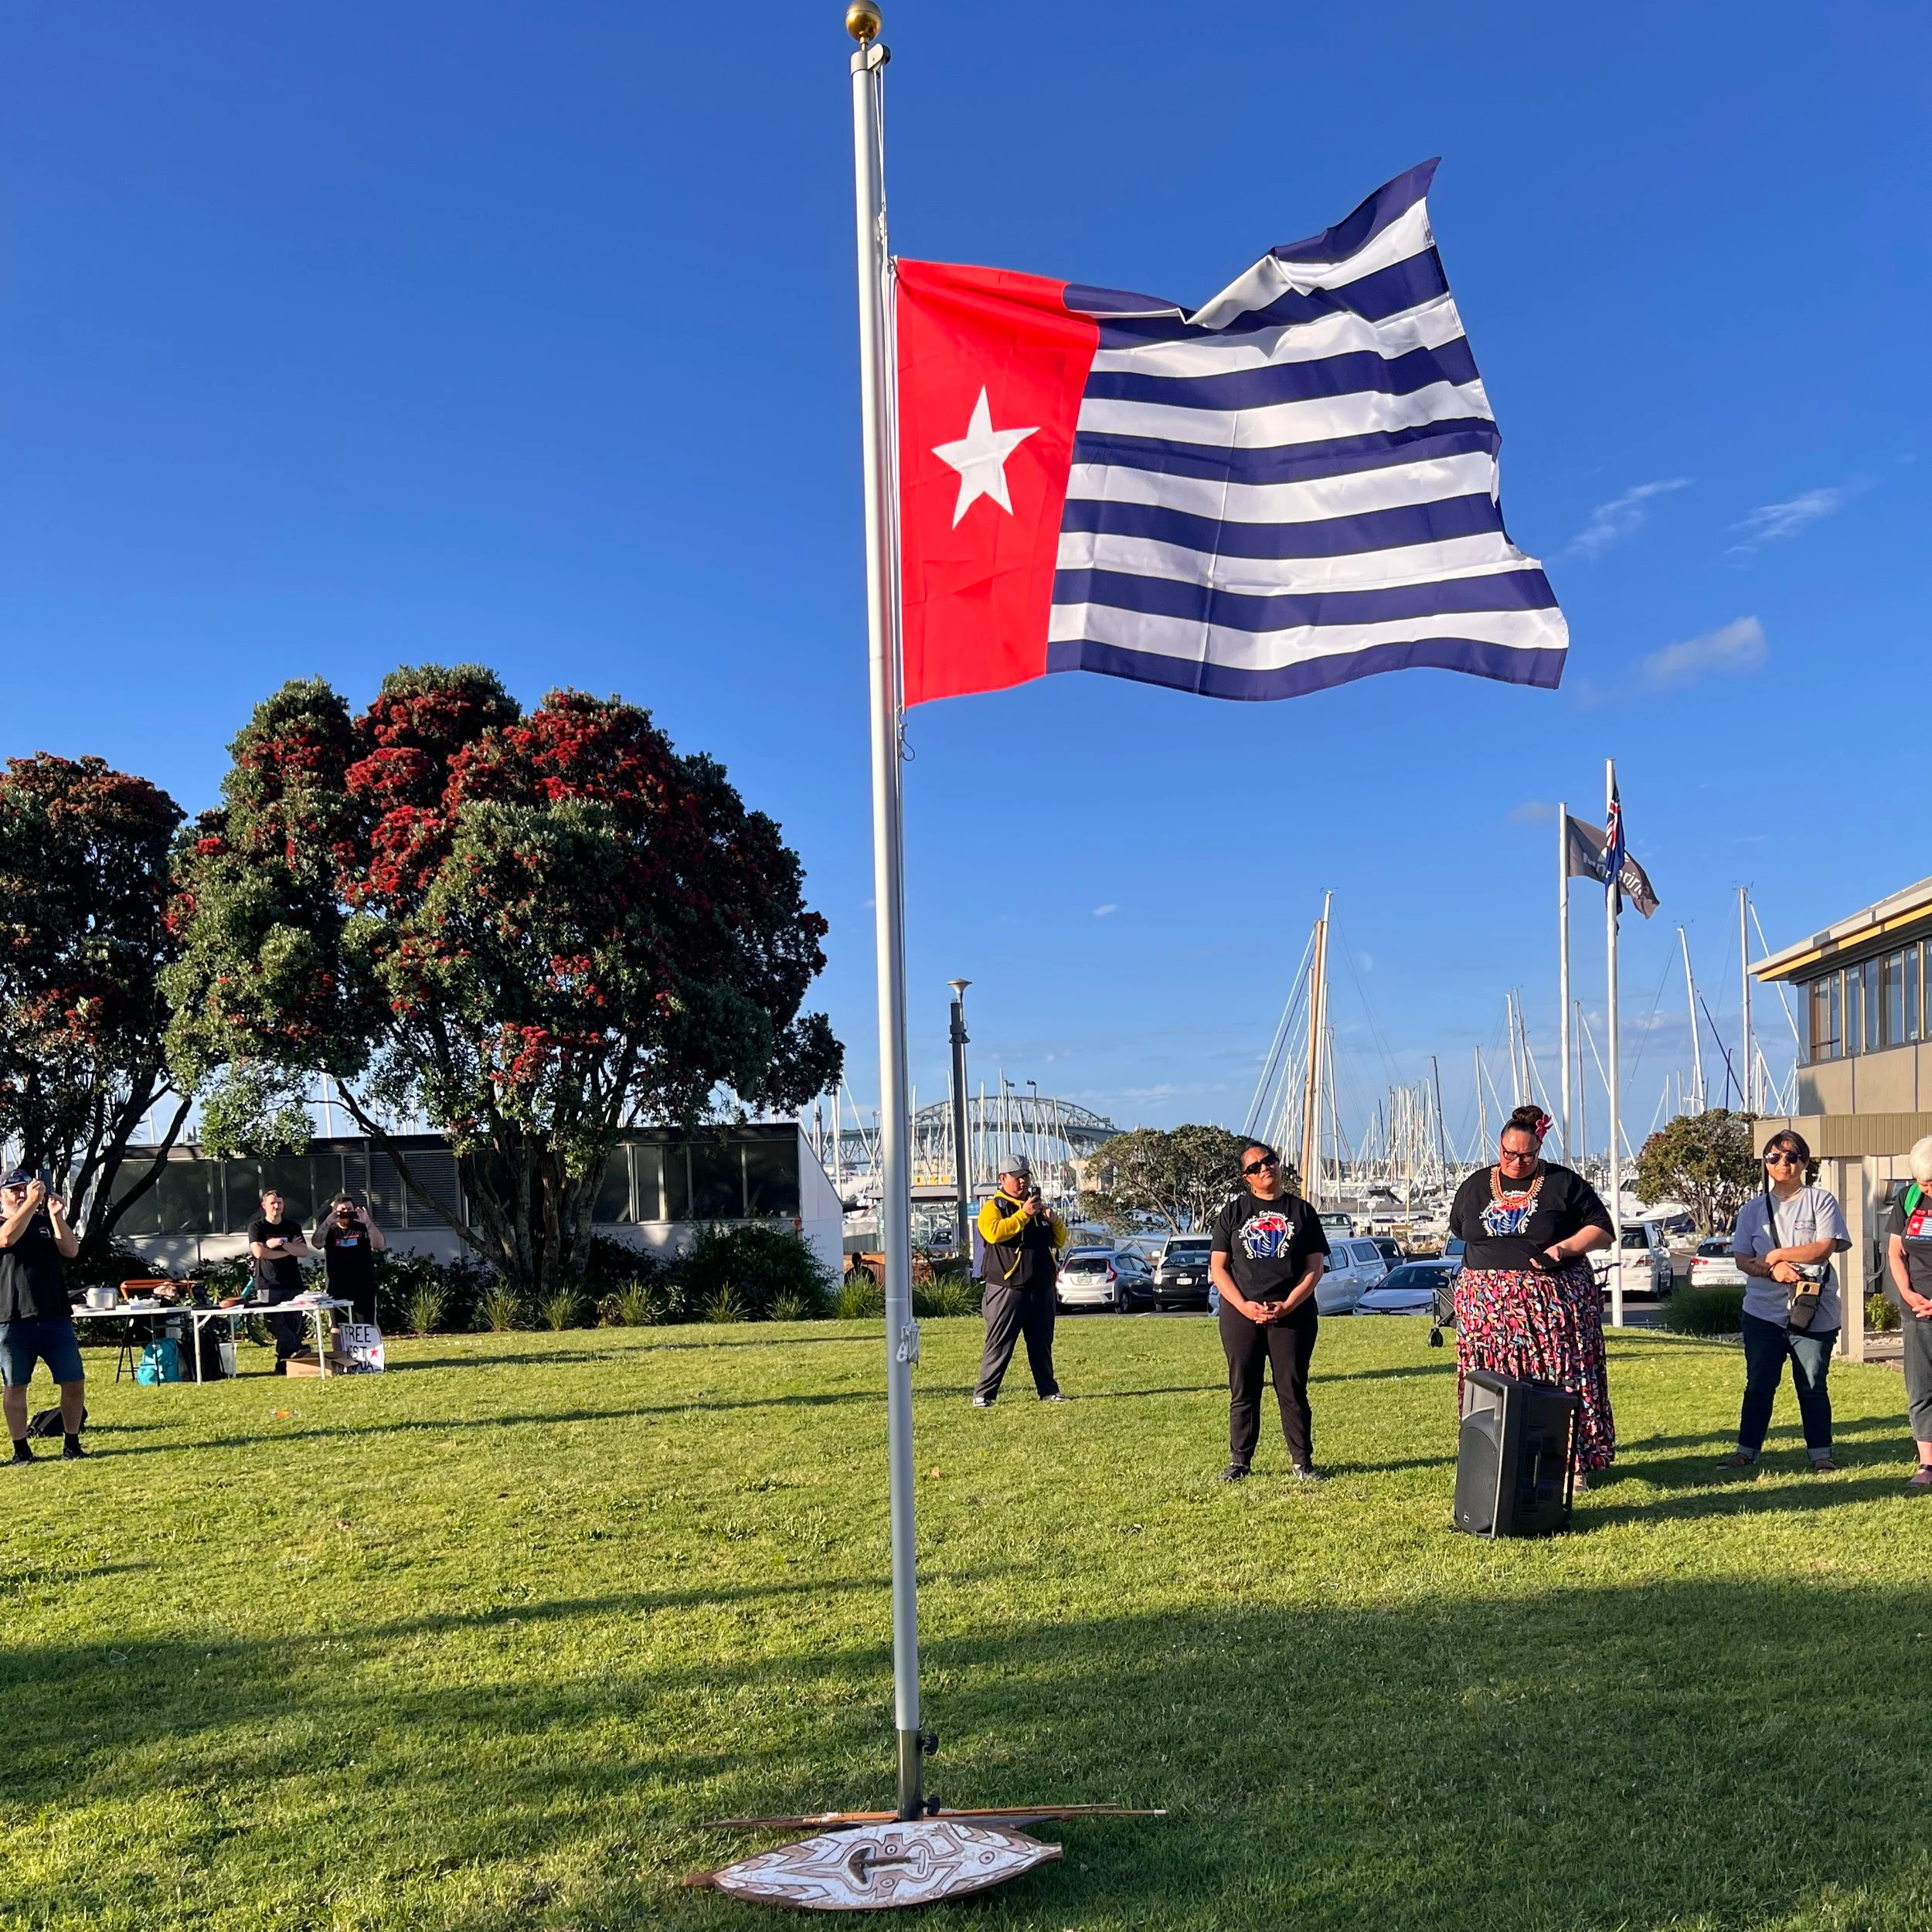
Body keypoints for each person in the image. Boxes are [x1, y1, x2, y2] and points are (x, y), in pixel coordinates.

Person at [1447, 1105, 1617, 1488]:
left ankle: (1571, 1464)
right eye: (1509, 1153)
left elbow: (1602, 1231)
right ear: (1499, 1147)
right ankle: (1493, 1456)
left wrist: (1562, 1249)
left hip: (1550, 1312)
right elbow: (1461, 1229)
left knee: (1559, 1380)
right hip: (1487, 1314)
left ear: (1539, 1150)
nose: (1517, 1161)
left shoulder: (1563, 1184)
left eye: (1526, 1155)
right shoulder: (1475, 1186)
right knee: (1492, 1382)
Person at [1723, 1128, 1850, 1474]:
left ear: (1804, 1162)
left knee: (1812, 1385)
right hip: (1763, 1314)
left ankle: (1821, 1455)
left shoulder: (1821, 1201)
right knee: (1760, 1385)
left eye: (1792, 1156)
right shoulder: (1752, 1210)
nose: (1783, 1163)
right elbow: (1742, 1259)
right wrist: (1772, 1270)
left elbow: (1825, 1246)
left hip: (1813, 1314)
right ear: (1765, 1164)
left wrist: (1778, 1253)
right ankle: (1746, 1452)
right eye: (1774, 1157)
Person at [1208, 1141, 1329, 1482]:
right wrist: (1244, 1306)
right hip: (1240, 1313)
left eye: (1269, 1161)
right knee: (1243, 1387)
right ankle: (1240, 1462)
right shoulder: (1233, 1213)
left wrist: (1289, 1303)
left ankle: (1302, 1463)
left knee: (1291, 1387)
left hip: (1292, 1314)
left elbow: (1314, 1267)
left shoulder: (1301, 1211)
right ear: (1246, 1177)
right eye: (1255, 1167)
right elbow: (1219, 1268)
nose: (1265, 1168)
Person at [0, 1170, 84, 1463]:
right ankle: (21, 1450)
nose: (22, 1193)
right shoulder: (3, 1224)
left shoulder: (42, 1223)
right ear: (1, 1196)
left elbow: (71, 1250)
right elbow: (7, 1239)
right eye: (14, 1190)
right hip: (12, 1318)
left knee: (73, 1381)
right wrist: (30, 1203)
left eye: (26, 1188)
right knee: (15, 1385)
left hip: (54, 1315)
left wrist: (56, 1216)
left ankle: (72, 1444)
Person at [972, 1155, 1066, 1407]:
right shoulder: (993, 1207)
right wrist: (1023, 1216)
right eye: (1018, 1177)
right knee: (999, 1343)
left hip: (1041, 1287)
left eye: (1026, 1176)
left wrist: (1053, 1221)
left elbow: (1058, 1241)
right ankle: (984, 1394)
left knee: (1041, 1343)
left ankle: (1048, 1390)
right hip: (1007, 1288)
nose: (1023, 1182)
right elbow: (993, 1233)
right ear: (1003, 1179)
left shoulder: (1035, 1206)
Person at [1883, 1134, 1932, 1491]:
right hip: (1917, 1310)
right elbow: (1895, 1254)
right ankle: (1928, 1462)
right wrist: (1908, 1293)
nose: (1926, 1187)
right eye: (1921, 1181)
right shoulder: (1909, 1199)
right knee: (1921, 1386)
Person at [248, 1186, 312, 1373]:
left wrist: (281, 1244)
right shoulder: (257, 1227)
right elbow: (259, 1253)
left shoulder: (292, 1227)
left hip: (292, 1282)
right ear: (264, 1206)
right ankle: (299, 1348)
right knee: (274, 1322)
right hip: (268, 1283)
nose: (277, 1206)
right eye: (273, 1203)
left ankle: (283, 1365)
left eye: (280, 1203)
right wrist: (288, 1251)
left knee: (293, 1324)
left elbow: (303, 1251)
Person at [316, 1192, 386, 1325]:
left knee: (367, 1325)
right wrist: (327, 1222)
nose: (346, 1212)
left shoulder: (362, 1228)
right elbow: (317, 1243)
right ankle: (339, 1348)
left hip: (363, 1285)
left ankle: (369, 1347)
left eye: (349, 1209)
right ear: (334, 1211)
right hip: (337, 1286)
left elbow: (379, 1244)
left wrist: (368, 1222)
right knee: (338, 1326)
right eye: (342, 1210)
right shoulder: (330, 1230)